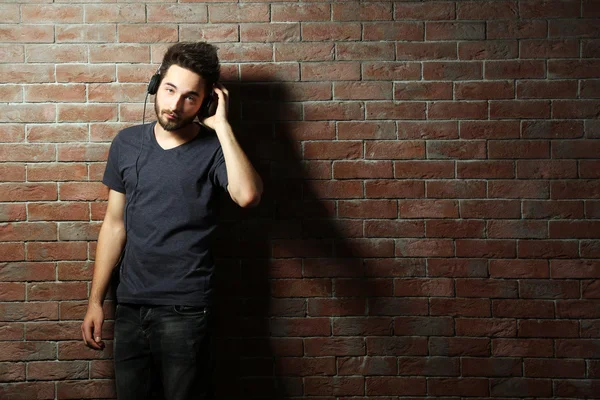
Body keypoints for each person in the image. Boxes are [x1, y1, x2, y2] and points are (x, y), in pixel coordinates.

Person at [81, 42, 263, 400]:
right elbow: (114, 225)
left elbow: (247, 195)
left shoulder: (215, 148)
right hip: (130, 305)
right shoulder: (127, 143)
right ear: (155, 84)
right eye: (169, 90)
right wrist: (95, 301)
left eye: (190, 97)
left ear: (207, 100)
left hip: (187, 308)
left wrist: (222, 126)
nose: (175, 105)